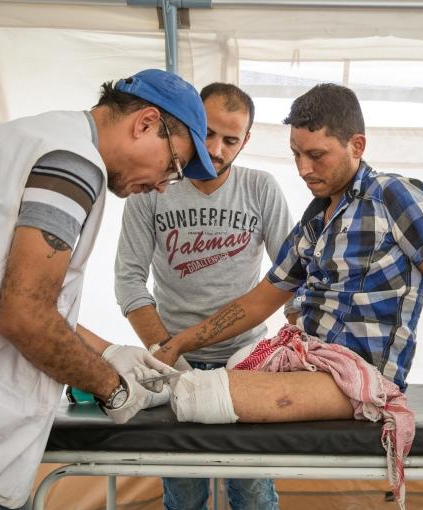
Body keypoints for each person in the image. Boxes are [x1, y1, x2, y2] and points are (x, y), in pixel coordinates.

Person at [0, 68, 217, 510]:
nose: (163, 185)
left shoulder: (30, 136)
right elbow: (23, 314)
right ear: (144, 123)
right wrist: (112, 387)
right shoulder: (73, 164)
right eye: (173, 166)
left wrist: (108, 351)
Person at [150, 83, 423, 423]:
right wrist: (175, 344)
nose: (304, 169)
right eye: (295, 154)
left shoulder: (393, 196)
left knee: (196, 394)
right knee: (203, 375)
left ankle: (129, 391)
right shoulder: (314, 220)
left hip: (363, 377)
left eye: (317, 155)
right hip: (310, 363)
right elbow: (259, 302)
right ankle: (133, 382)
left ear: (357, 145)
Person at [115, 83, 292, 510]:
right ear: (191, 126)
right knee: (184, 490)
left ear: (245, 140)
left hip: (246, 361)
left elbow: (292, 276)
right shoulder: (154, 186)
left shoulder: (261, 188)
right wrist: (169, 355)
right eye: (208, 133)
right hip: (173, 363)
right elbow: (128, 280)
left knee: (251, 491)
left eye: (231, 140)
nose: (215, 149)